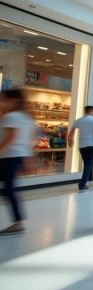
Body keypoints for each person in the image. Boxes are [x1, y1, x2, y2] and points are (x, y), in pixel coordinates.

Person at [0, 89, 36, 235]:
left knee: (8, 189)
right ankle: (18, 221)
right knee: (8, 189)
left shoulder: (11, 116)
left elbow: (11, 138)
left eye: (4, 99)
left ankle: (18, 222)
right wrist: (28, 160)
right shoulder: (27, 118)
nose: (2, 102)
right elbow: (29, 141)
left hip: (8, 156)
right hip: (17, 156)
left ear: (13, 100)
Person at [68, 105, 93, 191]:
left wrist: (70, 141)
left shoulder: (79, 120)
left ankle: (83, 183)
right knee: (88, 164)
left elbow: (71, 132)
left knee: (87, 163)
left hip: (82, 146)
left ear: (85, 111)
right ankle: (82, 184)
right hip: (92, 145)